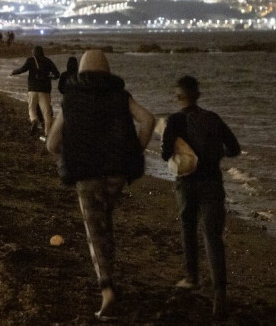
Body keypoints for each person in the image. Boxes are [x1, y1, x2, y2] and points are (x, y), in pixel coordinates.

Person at [46, 50, 155, 321]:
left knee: (94, 230)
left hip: (87, 174)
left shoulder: (71, 100)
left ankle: (107, 290)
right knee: (105, 221)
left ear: (81, 72)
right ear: (107, 71)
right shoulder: (121, 96)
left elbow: (51, 143)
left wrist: (69, 152)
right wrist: (135, 150)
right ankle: (111, 277)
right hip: (117, 173)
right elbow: (148, 120)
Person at [161, 75, 240, 321]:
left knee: (188, 226)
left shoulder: (174, 121)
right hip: (212, 182)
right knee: (213, 236)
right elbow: (234, 148)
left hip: (186, 183)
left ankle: (192, 277)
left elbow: (164, 154)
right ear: (198, 96)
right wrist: (217, 154)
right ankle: (220, 294)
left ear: (178, 96)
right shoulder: (213, 118)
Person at [9, 46, 60, 136]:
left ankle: (34, 120)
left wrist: (13, 72)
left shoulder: (30, 60)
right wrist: (49, 76)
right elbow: (57, 74)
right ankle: (47, 134)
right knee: (47, 113)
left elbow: (22, 69)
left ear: (34, 52)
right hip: (44, 90)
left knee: (31, 108)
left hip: (32, 89)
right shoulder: (48, 61)